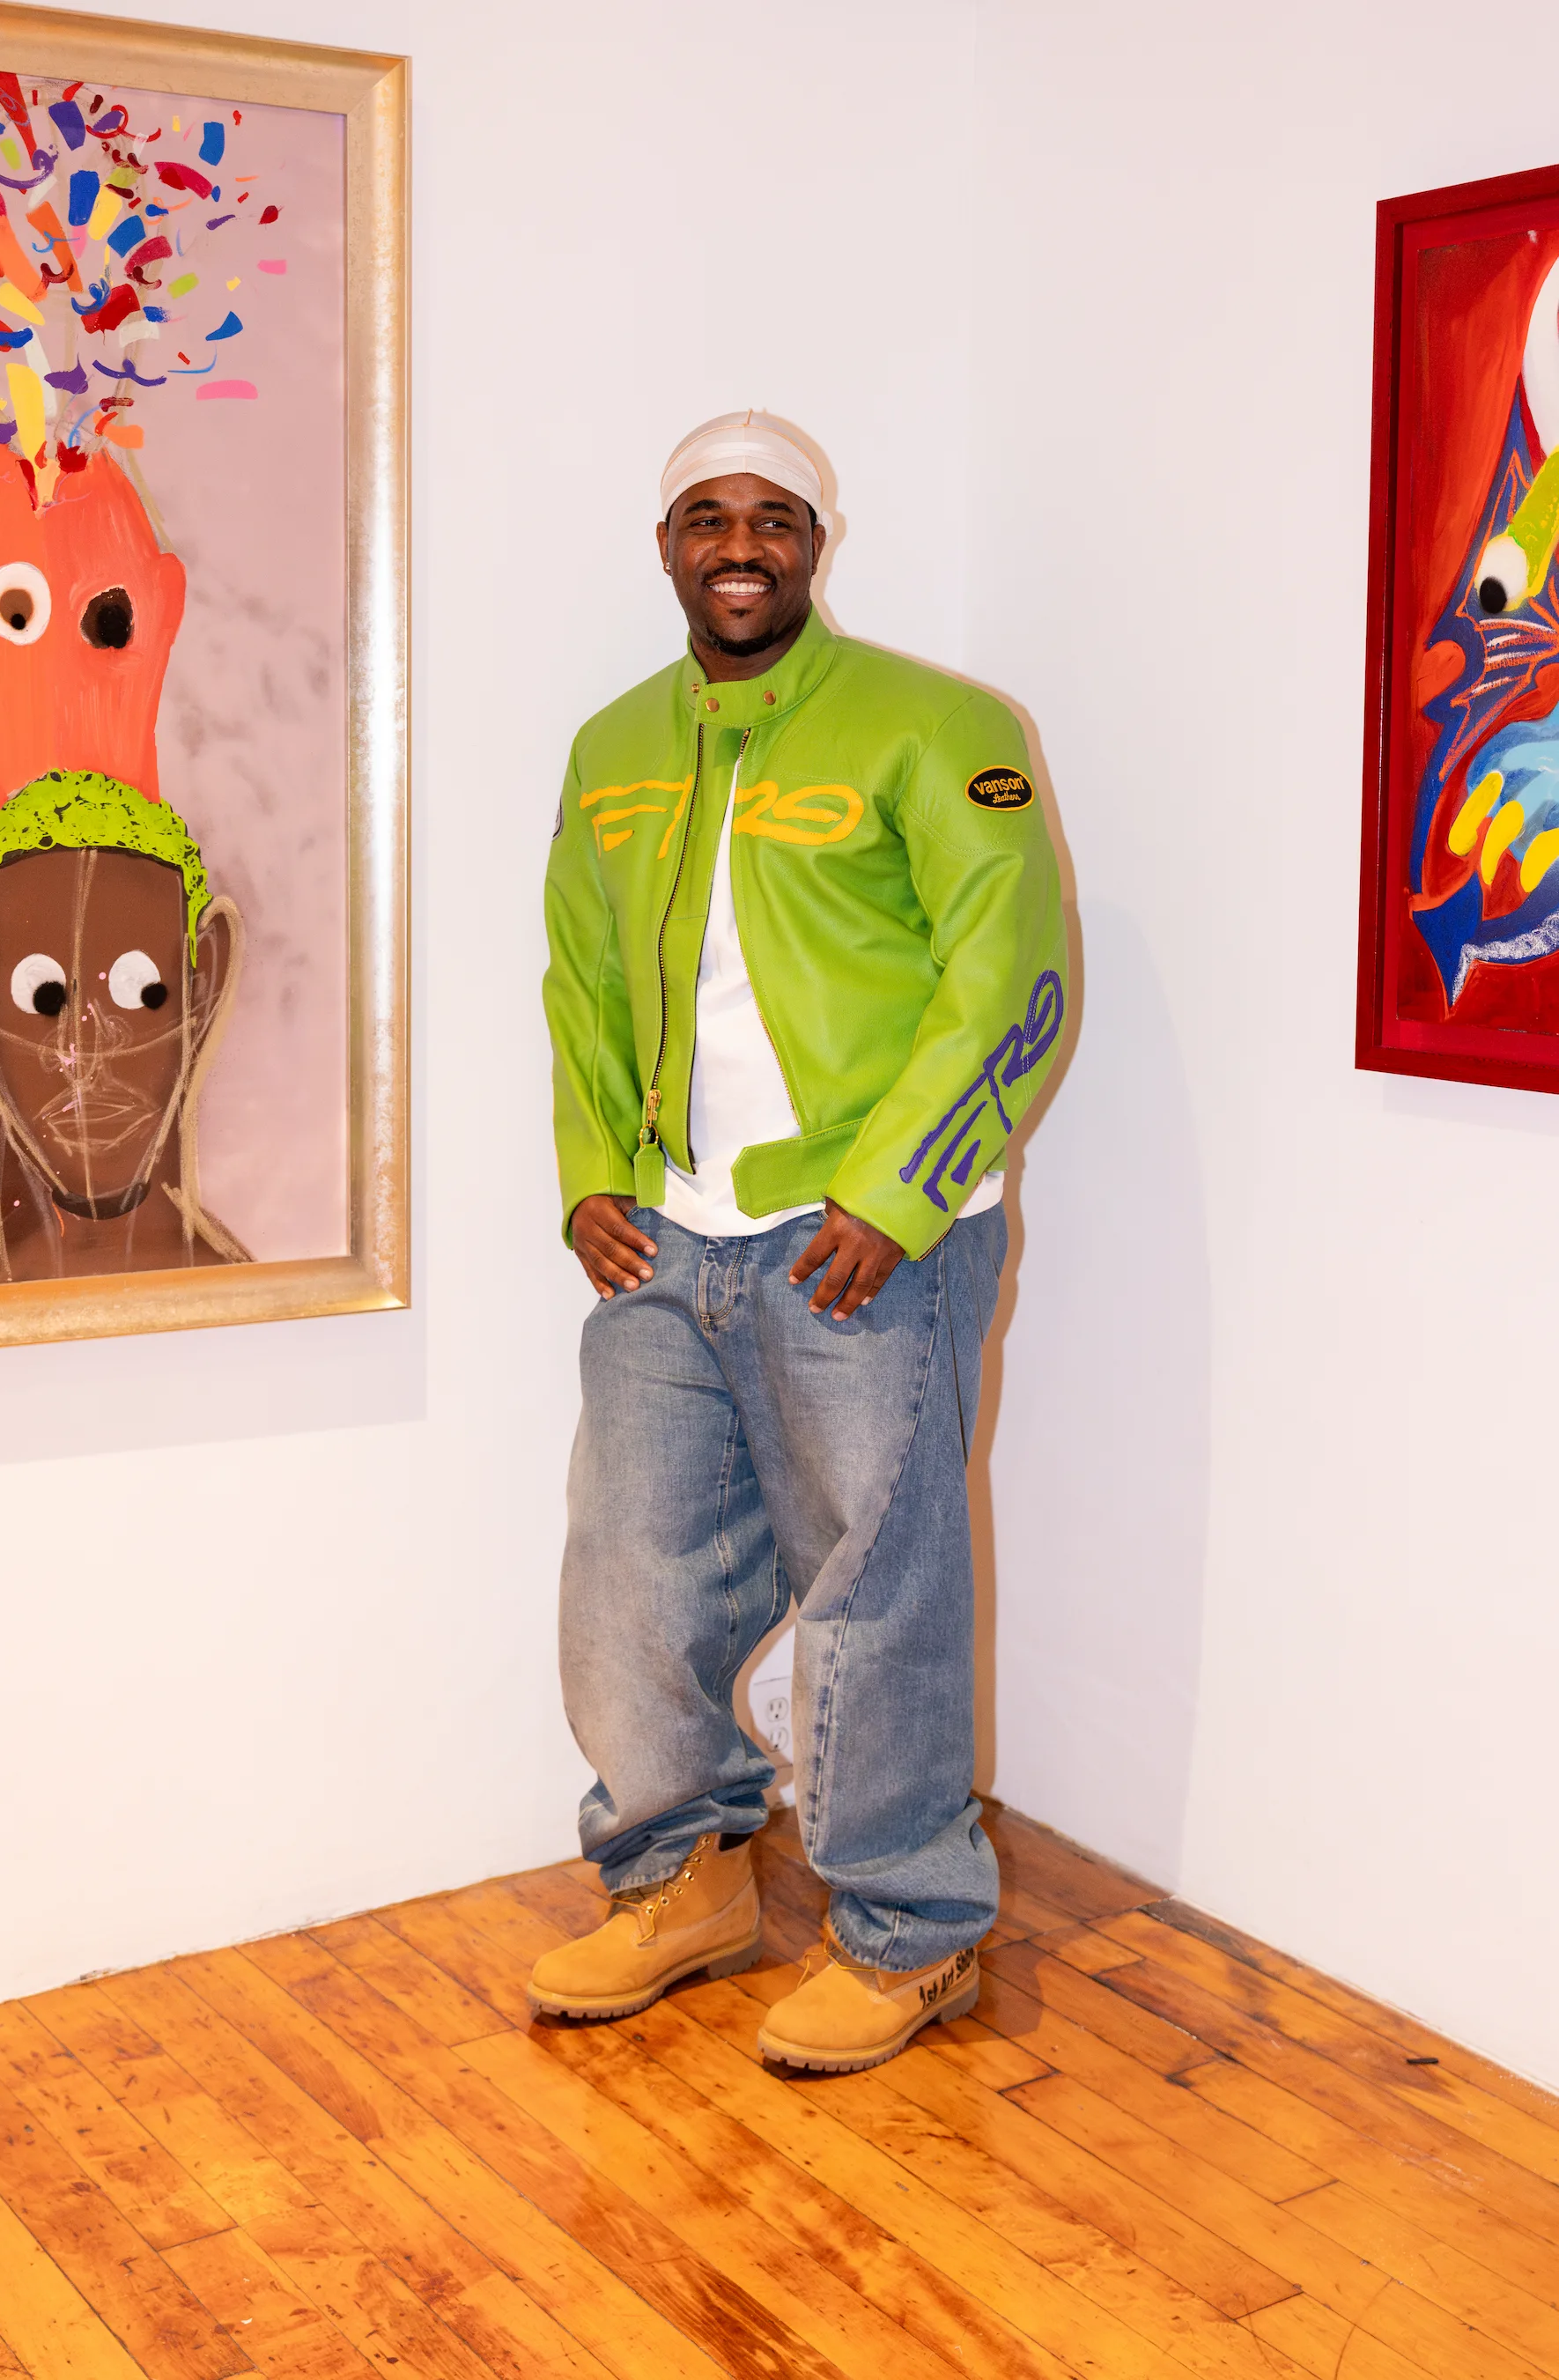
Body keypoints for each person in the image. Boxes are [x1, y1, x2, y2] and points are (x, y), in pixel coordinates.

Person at [534, 410, 1066, 2072]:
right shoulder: (614, 746)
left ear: (817, 542)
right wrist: (586, 1168)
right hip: (666, 1240)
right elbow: (579, 982)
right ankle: (680, 1876)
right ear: (668, 543)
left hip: (862, 1240)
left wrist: (897, 1195)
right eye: (707, 513)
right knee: (632, 1574)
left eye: (773, 514)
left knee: (877, 1597)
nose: (739, 540)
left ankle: (910, 1933)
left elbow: (1013, 982)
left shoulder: (939, 727)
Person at [0, 767, 246, 1280]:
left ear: (203, 987)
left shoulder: (252, 1304)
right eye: (42, 996)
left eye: (140, 991)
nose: (84, 1048)